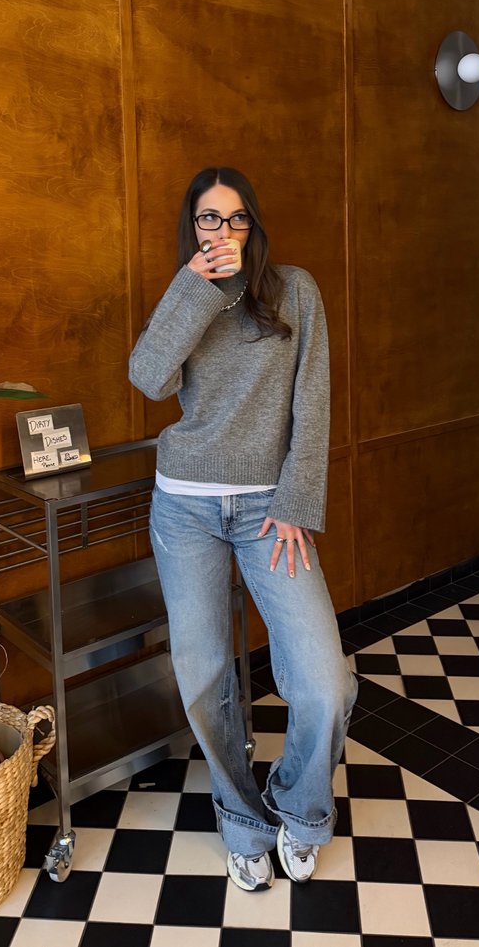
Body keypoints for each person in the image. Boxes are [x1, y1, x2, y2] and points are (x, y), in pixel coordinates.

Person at [129, 166, 358, 892]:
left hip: (269, 510)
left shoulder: (295, 289)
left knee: (324, 675)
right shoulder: (188, 294)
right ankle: (242, 821)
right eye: (207, 218)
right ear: (192, 228)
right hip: (185, 506)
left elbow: (311, 402)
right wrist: (194, 288)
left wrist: (296, 499)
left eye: (233, 219)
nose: (221, 232)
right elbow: (147, 377)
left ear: (253, 224)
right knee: (203, 676)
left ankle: (301, 805)